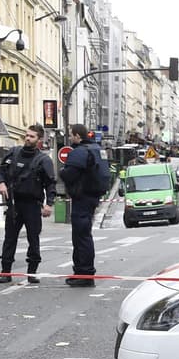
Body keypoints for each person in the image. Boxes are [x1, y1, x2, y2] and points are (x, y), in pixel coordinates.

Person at [0, 124, 56, 284]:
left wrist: (49, 204)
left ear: (39, 140)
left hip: (32, 205)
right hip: (14, 204)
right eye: (27, 135)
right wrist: (1, 183)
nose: (28, 138)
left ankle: (32, 272)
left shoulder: (43, 160)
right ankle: (5, 272)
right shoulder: (14, 153)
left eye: (32, 136)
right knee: (10, 238)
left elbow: (50, 183)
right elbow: (0, 169)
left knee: (33, 239)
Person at [58, 123, 103, 287]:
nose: (70, 137)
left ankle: (84, 274)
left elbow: (69, 174)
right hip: (92, 197)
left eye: (71, 135)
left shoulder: (80, 152)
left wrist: (62, 171)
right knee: (83, 235)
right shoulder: (96, 149)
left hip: (82, 197)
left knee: (81, 236)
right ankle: (82, 272)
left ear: (77, 136)